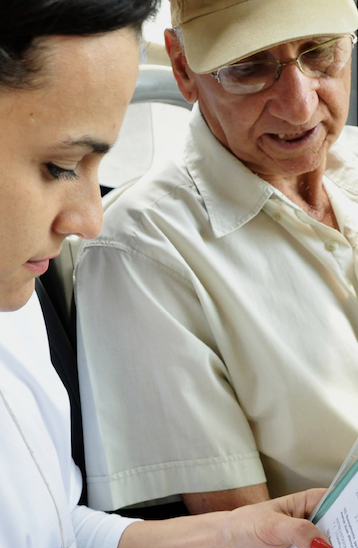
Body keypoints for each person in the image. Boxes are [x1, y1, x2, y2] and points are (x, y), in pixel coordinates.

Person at [1, 2, 357, 548]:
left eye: (322, 55)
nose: (91, 217)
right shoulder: (131, 250)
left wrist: (236, 536)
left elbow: (55, 540)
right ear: (188, 74)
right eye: (60, 165)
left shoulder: (16, 315)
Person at [75, 0, 358, 516]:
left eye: (320, 52)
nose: (298, 105)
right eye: (248, 68)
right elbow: (242, 540)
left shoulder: (352, 160)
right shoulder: (142, 251)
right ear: (184, 70)